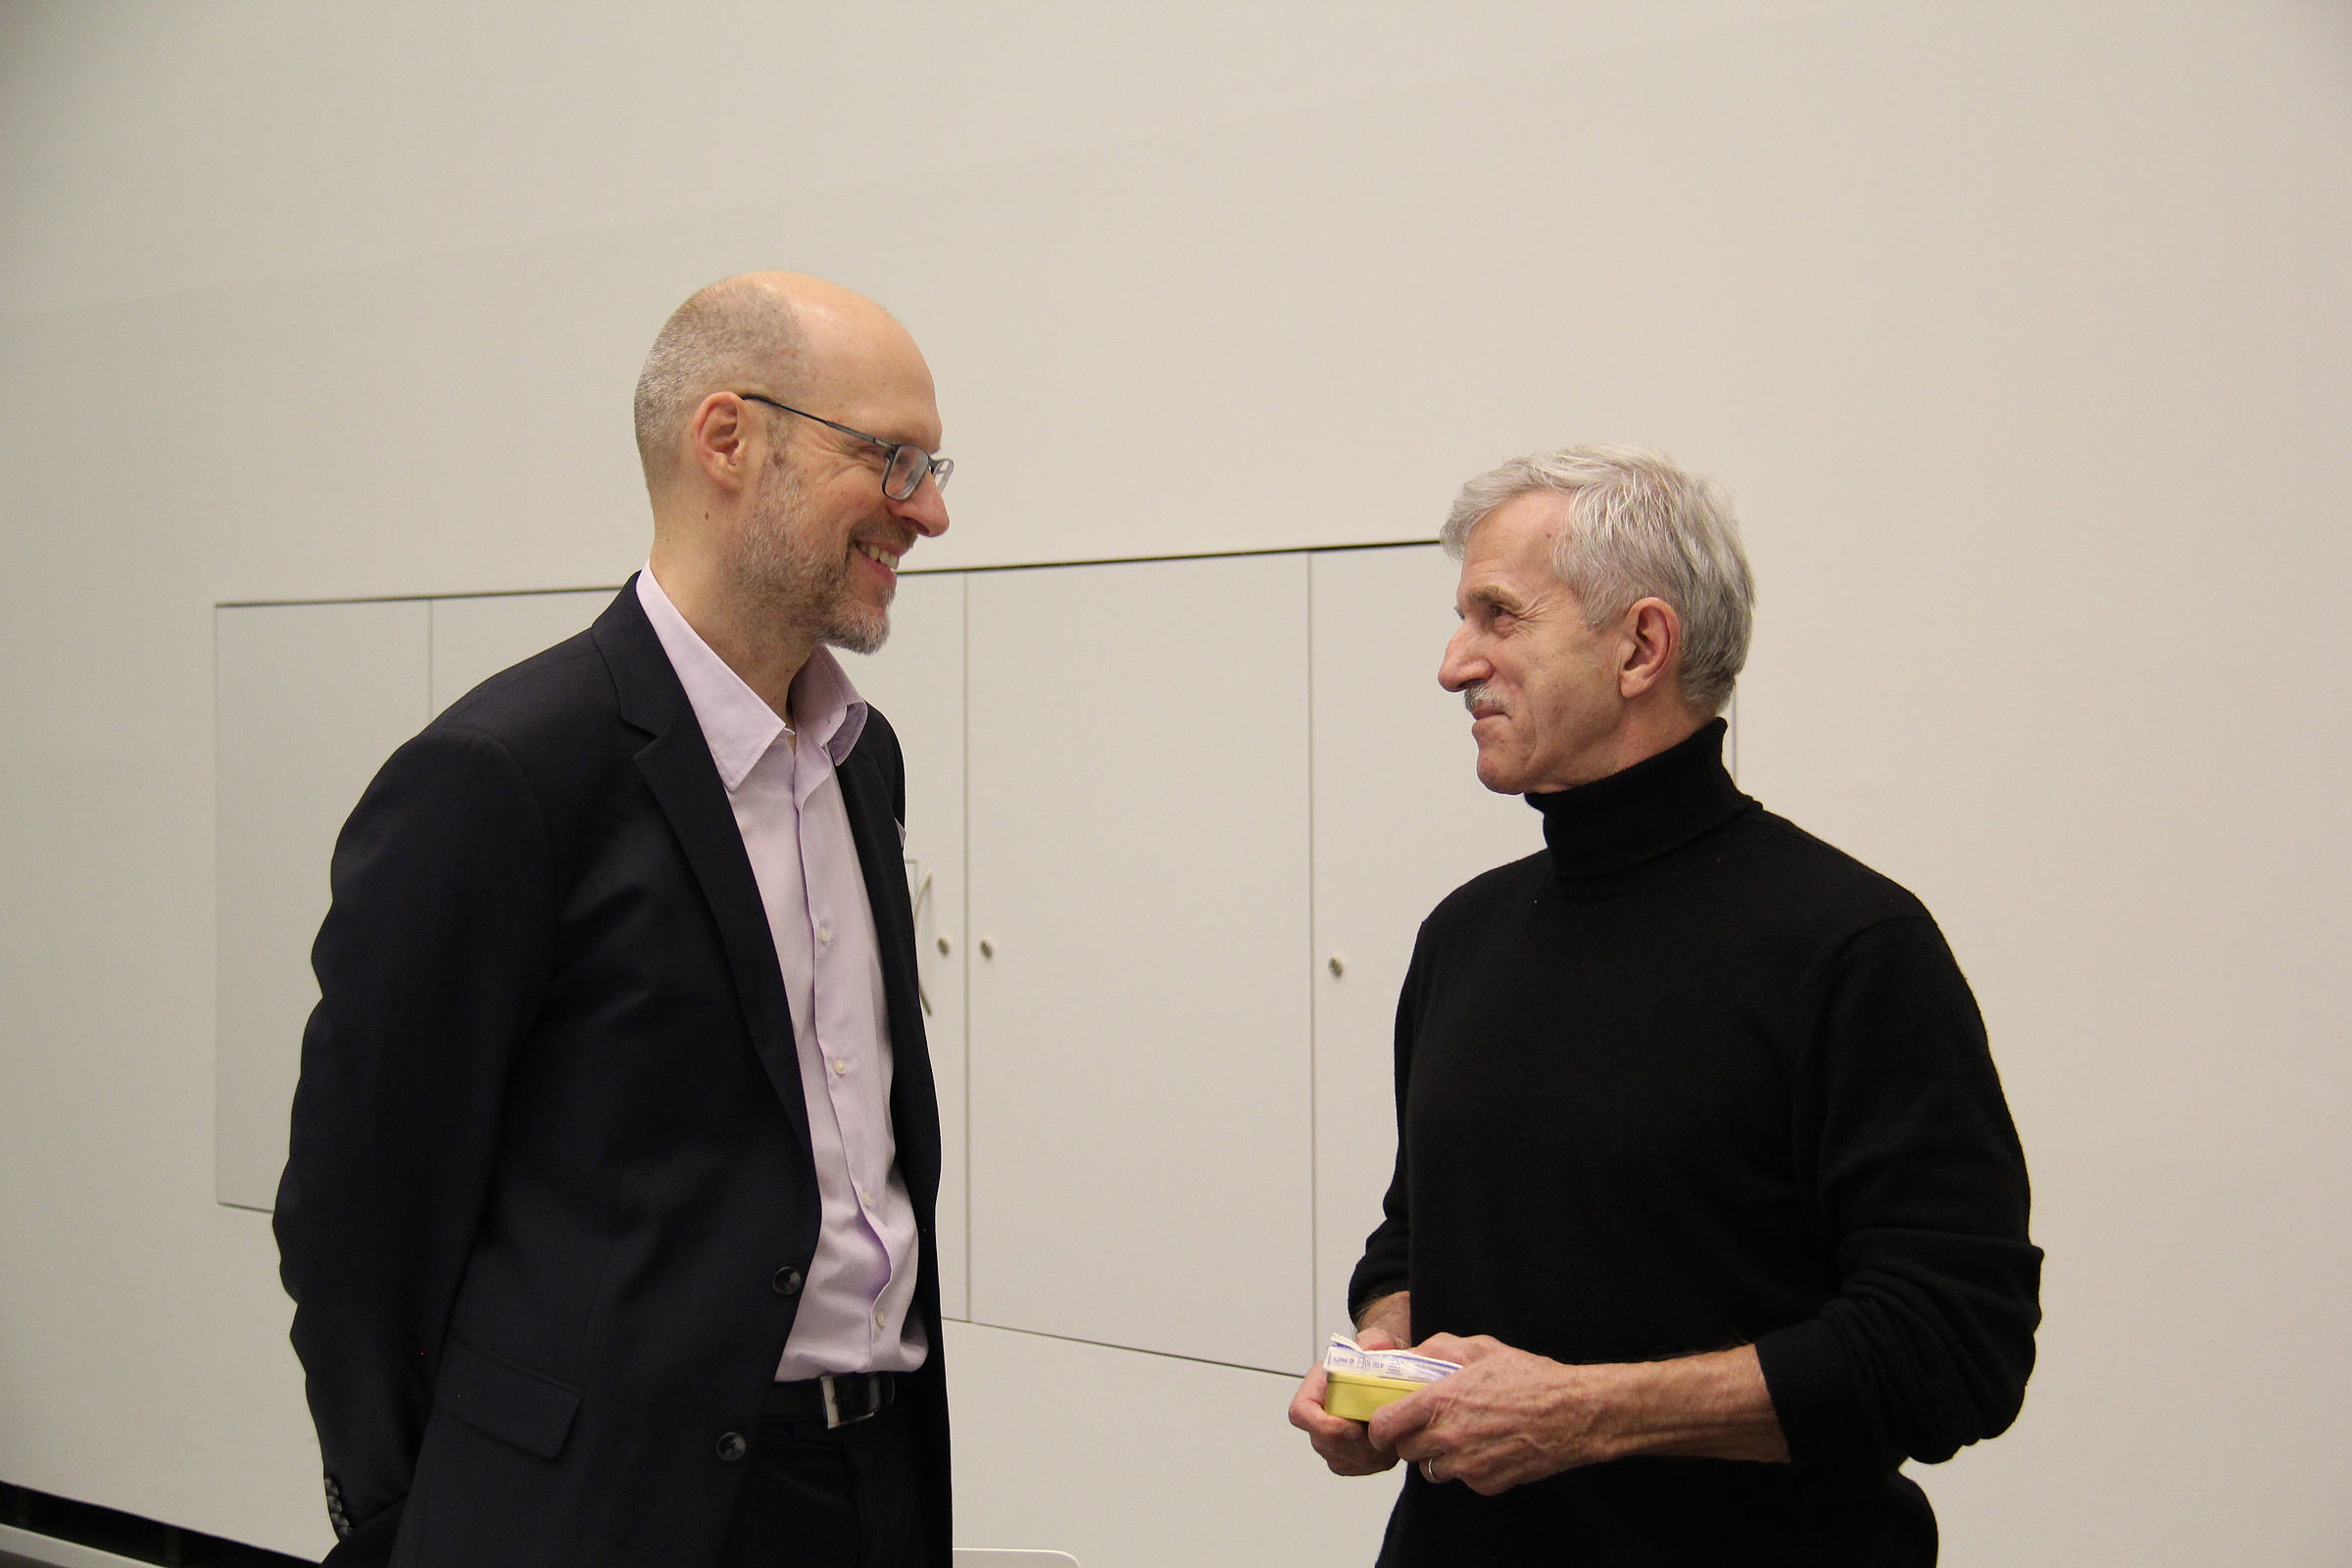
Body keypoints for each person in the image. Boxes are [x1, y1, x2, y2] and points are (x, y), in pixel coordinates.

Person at [275, 272, 956, 1568]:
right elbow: (360, 1221)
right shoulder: (505, 775)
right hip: (597, 1516)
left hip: (872, 1489)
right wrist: (416, 1517)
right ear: (727, 439)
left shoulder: (863, 764)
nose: (929, 510)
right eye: (892, 459)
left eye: (931, 467)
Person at [1289, 446, 2040, 1565]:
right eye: (1461, 619)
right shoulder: (1464, 934)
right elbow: (1417, 1230)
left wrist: (1582, 1415)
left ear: (1642, 646)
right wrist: (1381, 1359)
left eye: (1499, 616)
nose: (1454, 664)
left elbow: (1953, 1342)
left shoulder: (1852, 948)